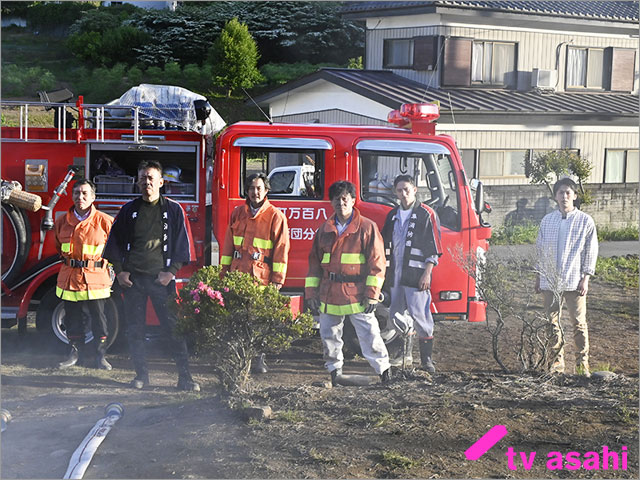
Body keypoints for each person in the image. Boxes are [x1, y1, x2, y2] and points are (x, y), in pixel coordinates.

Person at [103, 160, 199, 391]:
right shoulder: (128, 210)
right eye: (143, 178)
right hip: (133, 280)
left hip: (161, 280)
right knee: (135, 330)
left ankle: (185, 378)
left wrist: (171, 273)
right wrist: (120, 271)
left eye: (151, 178)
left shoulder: (174, 210)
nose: (147, 182)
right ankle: (141, 377)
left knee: (173, 329)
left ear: (161, 182)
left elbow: (182, 245)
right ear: (137, 182)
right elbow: (114, 242)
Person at [305, 181, 391, 385]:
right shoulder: (323, 230)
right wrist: (311, 294)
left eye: (345, 198)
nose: (341, 202)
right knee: (329, 335)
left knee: (369, 334)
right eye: (336, 198)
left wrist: (372, 293)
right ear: (331, 202)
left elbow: (377, 263)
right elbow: (314, 265)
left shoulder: (367, 227)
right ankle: (335, 372)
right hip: (329, 292)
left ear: (353, 200)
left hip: (358, 293)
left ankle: (385, 373)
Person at [220, 172, 290, 373]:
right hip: (237, 275)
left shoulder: (276, 216)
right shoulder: (237, 213)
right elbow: (227, 246)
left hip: (260, 278)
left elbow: (281, 250)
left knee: (257, 320)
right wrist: (223, 273)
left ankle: (259, 360)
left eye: (259, 188)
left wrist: (277, 281)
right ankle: (237, 361)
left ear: (266, 190)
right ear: (247, 190)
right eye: (251, 188)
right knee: (236, 319)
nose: (255, 192)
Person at [535, 177, 598, 376]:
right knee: (552, 322)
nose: (564, 197)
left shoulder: (584, 220)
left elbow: (590, 250)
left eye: (568, 193)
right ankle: (556, 363)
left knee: (578, 323)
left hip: (574, 280)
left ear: (574, 196)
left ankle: (582, 364)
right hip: (550, 281)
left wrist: (585, 277)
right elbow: (540, 249)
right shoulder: (548, 220)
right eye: (560, 193)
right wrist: (538, 276)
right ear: (555, 196)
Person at [381, 175, 442, 373]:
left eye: (407, 189)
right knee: (395, 314)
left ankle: (426, 360)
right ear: (395, 193)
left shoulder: (426, 214)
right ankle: (405, 353)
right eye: (399, 190)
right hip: (395, 273)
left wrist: (427, 273)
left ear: (415, 189)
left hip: (416, 272)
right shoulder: (392, 215)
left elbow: (433, 246)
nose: (403, 193)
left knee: (421, 315)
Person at [55, 178, 114, 370]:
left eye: (84, 193)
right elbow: (58, 247)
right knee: (72, 319)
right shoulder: (62, 221)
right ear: (71, 196)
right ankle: (74, 355)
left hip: (95, 279)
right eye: (76, 193)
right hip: (69, 278)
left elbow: (115, 249)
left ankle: (100, 357)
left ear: (93, 197)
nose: (80, 197)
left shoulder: (105, 222)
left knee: (99, 320)